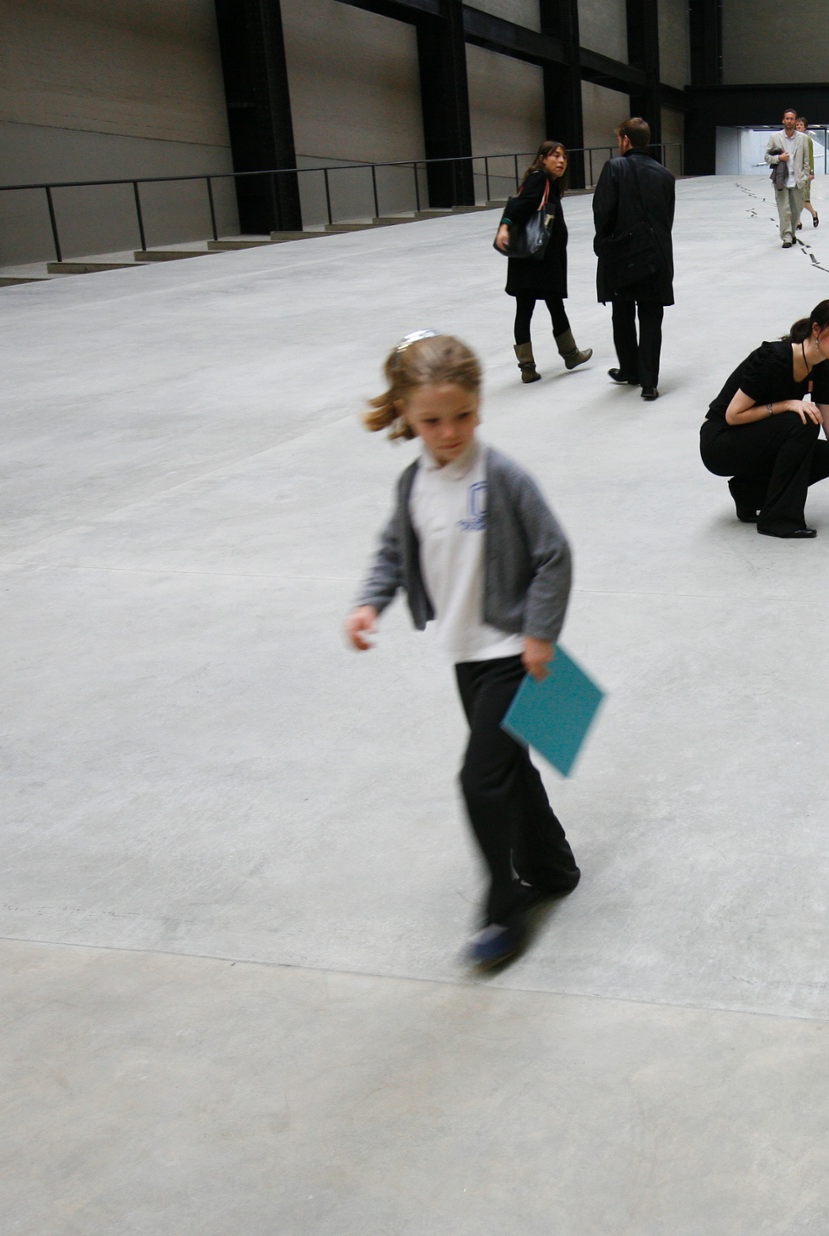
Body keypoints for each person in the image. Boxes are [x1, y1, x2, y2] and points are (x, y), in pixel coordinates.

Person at [346, 331, 580, 968]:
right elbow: (395, 552)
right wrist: (369, 603)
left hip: (511, 653)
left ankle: (504, 907)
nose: (449, 433)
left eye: (462, 417)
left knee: (480, 781)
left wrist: (539, 633)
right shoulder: (412, 484)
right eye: (431, 421)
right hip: (463, 654)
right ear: (405, 416)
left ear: (479, 406)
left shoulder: (502, 478)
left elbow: (554, 554)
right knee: (510, 770)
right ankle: (554, 870)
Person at [699, 299, 829, 539]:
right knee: (806, 419)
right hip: (720, 443)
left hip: (756, 441)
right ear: (816, 330)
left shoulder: (820, 368)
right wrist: (786, 404)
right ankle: (779, 520)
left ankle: (748, 493)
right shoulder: (772, 358)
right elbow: (733, 415)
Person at [593, 117, 676, 401]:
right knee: (652, 318)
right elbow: (667, 220)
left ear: (626, 140)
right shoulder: (665, 175)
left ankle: (630, 370)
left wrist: (602, 245)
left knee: (623, 313)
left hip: (623, 257)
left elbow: (602, 213)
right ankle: (649, 383)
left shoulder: (615, 168)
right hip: (656, 257)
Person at [494, 141, 591, 384]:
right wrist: (505, 225)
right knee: (545, 307)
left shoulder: (549, 185)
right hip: (537, 259)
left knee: (534, 308)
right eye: (555, 156)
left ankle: (533, 366)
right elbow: (520, 204)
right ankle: (567, 355)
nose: (561, 161)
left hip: (535, 259)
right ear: (542, 159)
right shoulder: (539, 179)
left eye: (564, 157)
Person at [765, 108, 810, 247]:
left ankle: (792, 233)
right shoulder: (775, 137)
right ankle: (787, 237)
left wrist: (805, 177)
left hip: (797, 180)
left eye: (792, 119)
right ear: (783, 120)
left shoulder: (803, 138)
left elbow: (806, 160)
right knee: (784, 210)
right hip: (781, 179)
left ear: (796, 121)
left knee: (796, 210)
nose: (789, 121)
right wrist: (779, 158)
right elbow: (767, 157)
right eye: (787, 118)